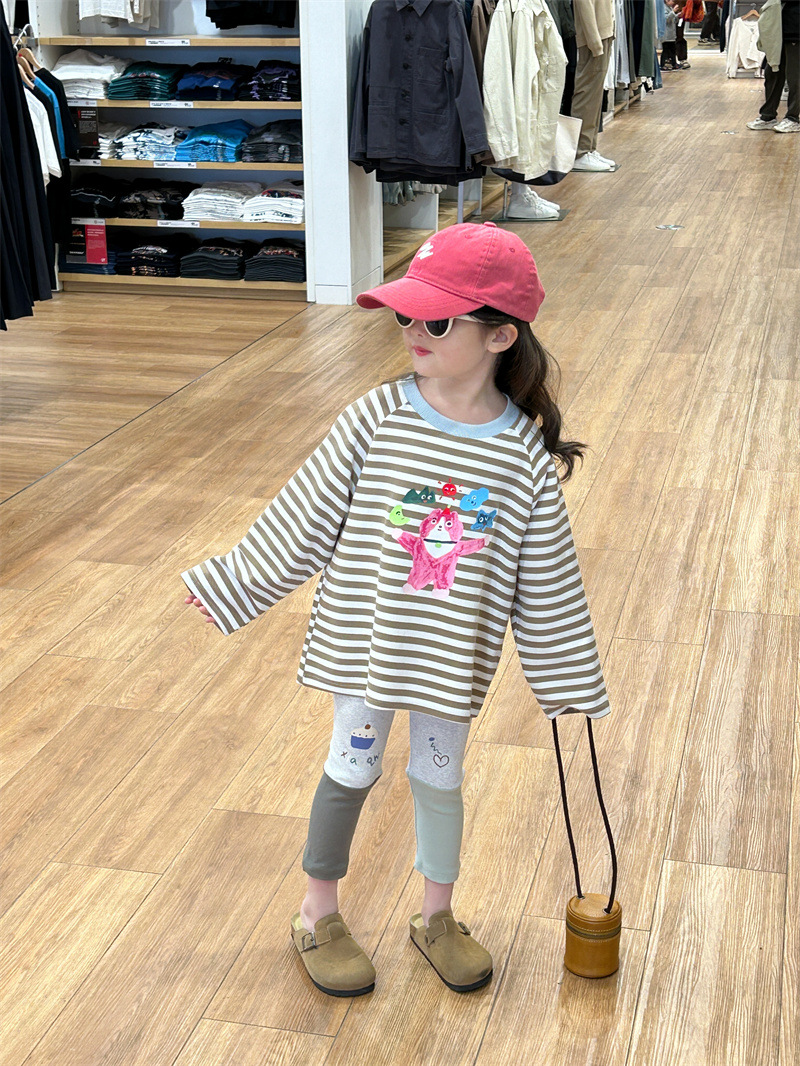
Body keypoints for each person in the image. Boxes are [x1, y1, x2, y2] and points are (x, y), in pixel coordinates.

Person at [181, 221, 612, 999]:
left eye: (437, 321)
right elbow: (305, 515)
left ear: (500, 336)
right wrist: (234, 579)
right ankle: (317, 914)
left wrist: (567, 682)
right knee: (351, 768)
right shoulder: (375, 418)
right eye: (407, 313)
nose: (413, 330)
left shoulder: (522, 455)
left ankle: (436, 917)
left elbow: (547, 582)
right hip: (368, 645)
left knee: (441, 780)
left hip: (449, 657)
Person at [747, 0, 800, 133]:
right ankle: (768, 116)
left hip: (795, 29)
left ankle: (793, 118)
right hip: (777, 30)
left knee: (794, 77)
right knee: (772, 73)